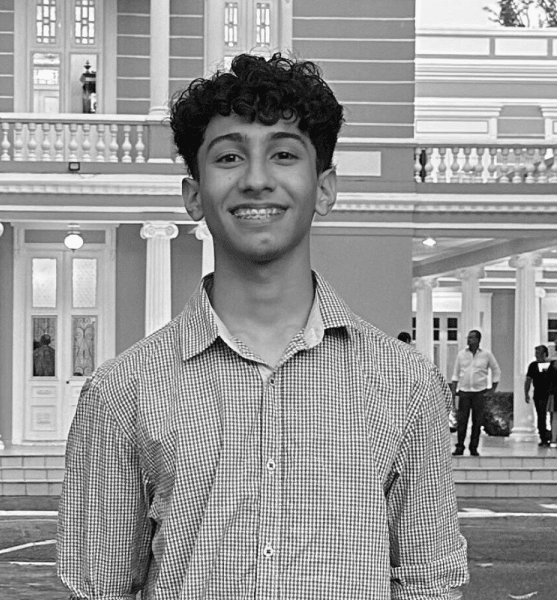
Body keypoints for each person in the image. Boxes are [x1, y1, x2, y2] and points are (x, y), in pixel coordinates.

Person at [57, 53, 468, 599]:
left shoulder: (406, 384)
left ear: (324, 189)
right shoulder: (121, 394)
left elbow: (429, 585)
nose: (255, 179)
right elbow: (99, 589)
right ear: (193, 194)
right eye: (228, 156)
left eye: (282, 154)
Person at [450, 329, 501, 456]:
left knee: (477, 421)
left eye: (472, 338)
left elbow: (496, 370)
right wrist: (453, 391)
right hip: (464, 392)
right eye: (468, 337)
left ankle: (474, 447)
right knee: (462, 421)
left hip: (480, 392)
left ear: (478, 340)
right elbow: (455, 374)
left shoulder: (486, 355)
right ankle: (460, 446)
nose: (469, 340)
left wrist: (492, 389)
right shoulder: (462, 354)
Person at [525, 345, 551, 447]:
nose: (537, 355)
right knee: (541, 416)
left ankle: (552, 436)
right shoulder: (533, 365)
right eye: (536, 353)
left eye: (539, 353)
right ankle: (543, 437)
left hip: (550, 393)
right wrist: (526, 392)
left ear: (545, 353)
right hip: (539, 393)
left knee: (552, 416)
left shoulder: (551, 364)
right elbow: (528, 379)